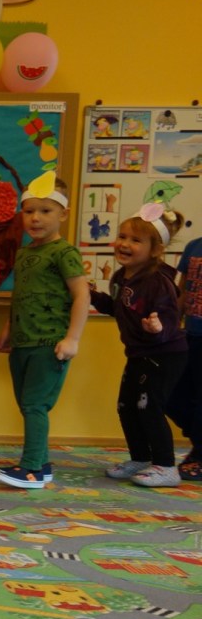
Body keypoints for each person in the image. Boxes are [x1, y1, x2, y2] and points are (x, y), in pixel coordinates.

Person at [0, 172, 89, 489]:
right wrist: (9, 328)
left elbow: (81, 296)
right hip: (23, 342)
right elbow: (22, 295)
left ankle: (31, 469)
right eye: (29, 211)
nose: (35, 218)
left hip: (50, 343)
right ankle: (42, 464)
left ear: (63, 214)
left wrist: (72, 338)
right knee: (27, 404)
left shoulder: (64, 253)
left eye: (45, 211)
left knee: (36, 405)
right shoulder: (25, 253)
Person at [90, 203, 189, 487]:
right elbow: (117, 308)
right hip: (139, 354)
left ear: (155, 250)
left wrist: (158, 328)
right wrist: (94, 296)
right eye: (122, 236)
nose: (125, 244)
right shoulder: (121, 277)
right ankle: (141, 458)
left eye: (135, 240)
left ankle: (166, 466)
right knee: (126, 406)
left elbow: (170, 316)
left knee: (149, 407)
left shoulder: (158, 282)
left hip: (165, 353)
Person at [167, 232, 202, 480]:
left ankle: (199, 454)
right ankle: (199, 443)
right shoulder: (194, 246)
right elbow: (181, 293)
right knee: (171, 395)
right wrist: (171, 329)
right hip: (190, 336)